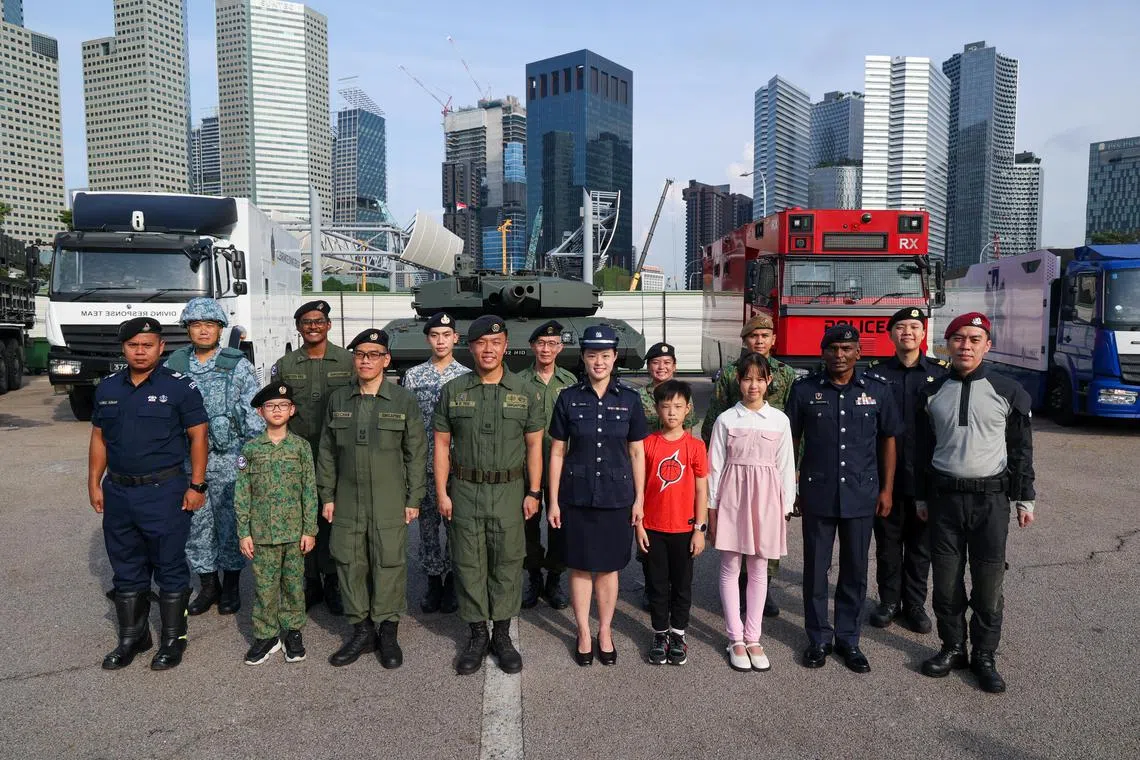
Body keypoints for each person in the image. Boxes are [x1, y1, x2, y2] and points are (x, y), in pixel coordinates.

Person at [915, 312, 1036, 694]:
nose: (965, 345)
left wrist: (1024, 499)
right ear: (947, 344)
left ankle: (984, 655)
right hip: (944, 500)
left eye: (974, 339)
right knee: (947, 583)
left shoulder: (1009, 390)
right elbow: (923, 450)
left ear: (987, 345)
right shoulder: (931, 391)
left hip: (991, 502)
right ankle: (953, 647)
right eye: (958, 338)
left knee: (988, 584)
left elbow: (1020, 451)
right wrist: (920, 495)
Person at [91, 317, 208, 671]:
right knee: (125, 566)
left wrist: (197, 485)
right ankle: (133, 637)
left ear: (161, 348)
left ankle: (173, 640)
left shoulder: (180, 387)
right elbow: (99, 437)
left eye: (147, 345)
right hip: (120, 492)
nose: (140, 351)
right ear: (123, 348)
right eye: (133, 345)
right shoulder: (107, 388)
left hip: (165, 490)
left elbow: (198, 436)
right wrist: (93, 482)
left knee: (170, 565)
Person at [785, 325, 901, 673]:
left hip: (861, 493)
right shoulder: (805, 391)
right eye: (833, 348)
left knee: (854, 570)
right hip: (817, 492)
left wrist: (886, 490)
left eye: (847, 348)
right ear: (822, 352)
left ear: (858, 352)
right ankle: (819, 638)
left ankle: (849, 639)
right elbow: (789, 441)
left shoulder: (877, 391)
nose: (839, 355)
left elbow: (889, 441)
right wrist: (791, 488)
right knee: (816, 570)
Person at [433, 315, 545, 675]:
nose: (488, 349)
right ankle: (477, 633)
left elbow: (534, 447)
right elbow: (441, 445)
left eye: (495, 343)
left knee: (508, 563)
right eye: (481, 343)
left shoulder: (525, 392)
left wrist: (534, 491)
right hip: (464, 490)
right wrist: (442, 493)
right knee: (468, 563)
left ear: (505, 344)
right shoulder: (454, 390)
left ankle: (502, 634)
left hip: (510, 491)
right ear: (471, 346)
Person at [317, 329, 427, 668]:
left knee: (389, 562)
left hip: (389, 497)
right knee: (350, 563)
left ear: (386, 360)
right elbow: (326, 451)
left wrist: (414, 497)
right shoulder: (338, 399)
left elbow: (416, 452)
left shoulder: (403, 400)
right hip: (348, 498)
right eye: (361, 354)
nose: (366, 360)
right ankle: (362, 632)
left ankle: (388, 632)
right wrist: (327, 495)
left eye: (374, 354)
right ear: (355, 358)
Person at [548, 324, 649, 667]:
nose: (599, 362)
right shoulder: (568, 398)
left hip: (616, 496)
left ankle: (604, 630)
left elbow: (637, 453)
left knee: (608, 570)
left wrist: (639, 500)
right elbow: (558, 452)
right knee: (578, 568)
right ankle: (582, 631)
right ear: (584, 358)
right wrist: (553, 500)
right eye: (592, 355)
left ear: (615, 357)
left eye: (605, 355)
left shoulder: (630, 399)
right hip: (575, 496)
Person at [165, 298, 263, 618]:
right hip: (188, 464)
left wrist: (248, 466)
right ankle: (209, 585)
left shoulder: (237, 365)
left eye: (210, 325)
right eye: (196, 324)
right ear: (188, 329)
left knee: (231, 524)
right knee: (195, 526)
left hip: (231, 458)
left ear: (220, 329)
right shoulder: (175, 367)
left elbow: (253, 420)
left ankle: (232, 584)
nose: (203, 330)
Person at [702, 314, 796, 618]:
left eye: (765, 336)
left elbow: (794, 423)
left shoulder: (787, 373)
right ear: (745, 340)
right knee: (735, 538)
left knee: (764, 542)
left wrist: (794, 473)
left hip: (772, 457)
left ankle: (762, 589)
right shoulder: (731, 373)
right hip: (737, 454)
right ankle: (738, 589)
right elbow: (717, 415)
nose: (760, 341)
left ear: (773, 340)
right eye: (754, 336)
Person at [708, 354, 796, 673]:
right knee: (731, 565)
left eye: (760, 379)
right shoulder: (726, 420)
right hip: (732, 495)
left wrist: (785, 506)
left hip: (767, 499)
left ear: (769, 382)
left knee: (759, 566)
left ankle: (753, 636)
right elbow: (714, 467)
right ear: (738, 382)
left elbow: (787, 466)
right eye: (747, 379)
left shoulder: (779, 421)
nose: (753, 385)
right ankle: (735, 638)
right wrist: (712, 509)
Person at [867, 307, 950, 633]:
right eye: (900, 328)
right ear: (890, 335)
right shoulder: (874, 374)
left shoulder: (941, 374)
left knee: (920, 548)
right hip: (886, 476)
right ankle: (888, 602)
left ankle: (914, 605)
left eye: (914, 327)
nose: (908, 333)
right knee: (887, 545)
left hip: (926, 476)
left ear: (923, 333)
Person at [271, 299, 355, 615]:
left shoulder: (347, 361)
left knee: (333, 517)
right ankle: (311, 581)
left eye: (319, 320)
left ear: (329, 325)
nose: (313, 326)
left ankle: (333, 580)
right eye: (307, 322)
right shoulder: (286, 365)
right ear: (298, 327)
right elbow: (276, 410)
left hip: (337, 454)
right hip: (298, 454)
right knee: (302, 517)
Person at [234, 382, 318, 666]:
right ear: (261, 412)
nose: (277, 410)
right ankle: (266, 635)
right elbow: (242, 492)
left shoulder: (301, 448)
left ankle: (293, 632)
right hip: (263, 534)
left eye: (283, 406)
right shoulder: (251, 449)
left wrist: (310, 529)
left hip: (295, 533)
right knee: (265, 587)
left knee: (294, 585)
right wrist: (243, 532)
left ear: (292, 410)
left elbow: (309, 490)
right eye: (271, 406)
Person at [401, 311, 470, 614]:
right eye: (434, 336)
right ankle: (433, 582)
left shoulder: (467, 376)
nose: (440, 341)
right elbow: (406, 422)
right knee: (428, 527)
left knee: (457, 527)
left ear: (455, 338)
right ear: (427, 338)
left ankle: (454, 580)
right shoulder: (414, 376)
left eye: (446, 335)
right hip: (424, 464)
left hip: (458, 467)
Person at [636, 379, 708, 667]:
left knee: (681, 585)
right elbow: (639, 488)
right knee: (656, 585)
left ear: (688, 408)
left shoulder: (695, 446)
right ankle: (660, 633)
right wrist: (638, 525)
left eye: (678, 407)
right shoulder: (647, 444)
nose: (672, 413)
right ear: (657, 409)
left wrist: (699, 529)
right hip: (653, 528)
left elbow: (702, 489)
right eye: (666, 407)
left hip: (684, 529)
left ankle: (678, 634)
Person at [515, 319, 577, 610]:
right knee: (528, 526)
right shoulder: (517, 382)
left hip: (561, 469)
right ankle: (533, 575)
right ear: (532, 347)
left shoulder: (570, 383)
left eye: (552, 344)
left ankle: (554, 577)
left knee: (559, 526)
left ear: (560, 347)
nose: (546, 348)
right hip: (527, 469)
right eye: (541, 343)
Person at [638, 342, 695, 431]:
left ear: (674, 366)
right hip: (647, 444)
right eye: (655, 362)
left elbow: (687, 428)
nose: (661, 367)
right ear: (648, 367)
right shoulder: (638, 396)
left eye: (667, 362)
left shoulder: (682, 394)